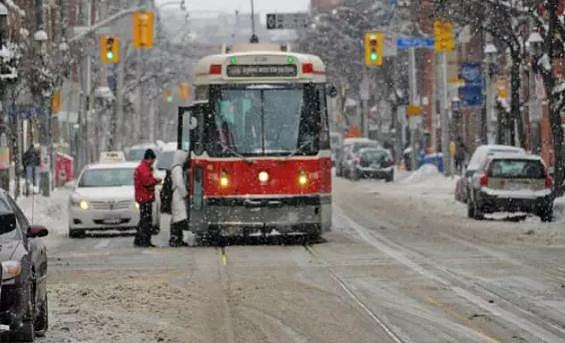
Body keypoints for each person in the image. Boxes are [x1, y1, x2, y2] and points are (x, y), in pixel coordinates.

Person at [133, 149, 161, 247]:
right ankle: (145, 241)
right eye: (153, 160)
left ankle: (138, 240)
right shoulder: (144, 168)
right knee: (146, 221)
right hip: (145, 198)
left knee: (143, 220)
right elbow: (147, 182)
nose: (153, 162)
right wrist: (156, 181)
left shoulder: (142, 167)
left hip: (142, 197)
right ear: (149, 158)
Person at [169, 150, 189, 247]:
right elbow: (179, 182)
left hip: (177, 194)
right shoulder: (177, 168)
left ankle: (177, 238)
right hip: (178, 195)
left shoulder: (175, 167)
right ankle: (176, 239)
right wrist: (185, 193)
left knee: (178, 218)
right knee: (179, 218)